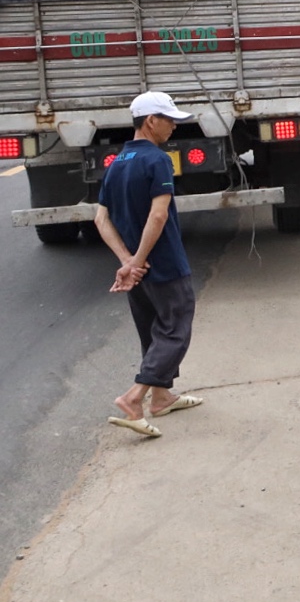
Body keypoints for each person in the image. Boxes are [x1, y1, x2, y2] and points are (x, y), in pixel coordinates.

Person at [94, 91, 206, 438]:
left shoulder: (118, 162)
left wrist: (127, 262)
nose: (174, 126)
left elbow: (101, 218)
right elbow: (158, 216)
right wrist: (139, 261)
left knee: (153, 332)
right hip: (164, 264)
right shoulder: (157, 160)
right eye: (169, 119)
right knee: (175, 328)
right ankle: (134, 398)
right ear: (150, 121)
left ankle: (161, 397)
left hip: (139, 270)